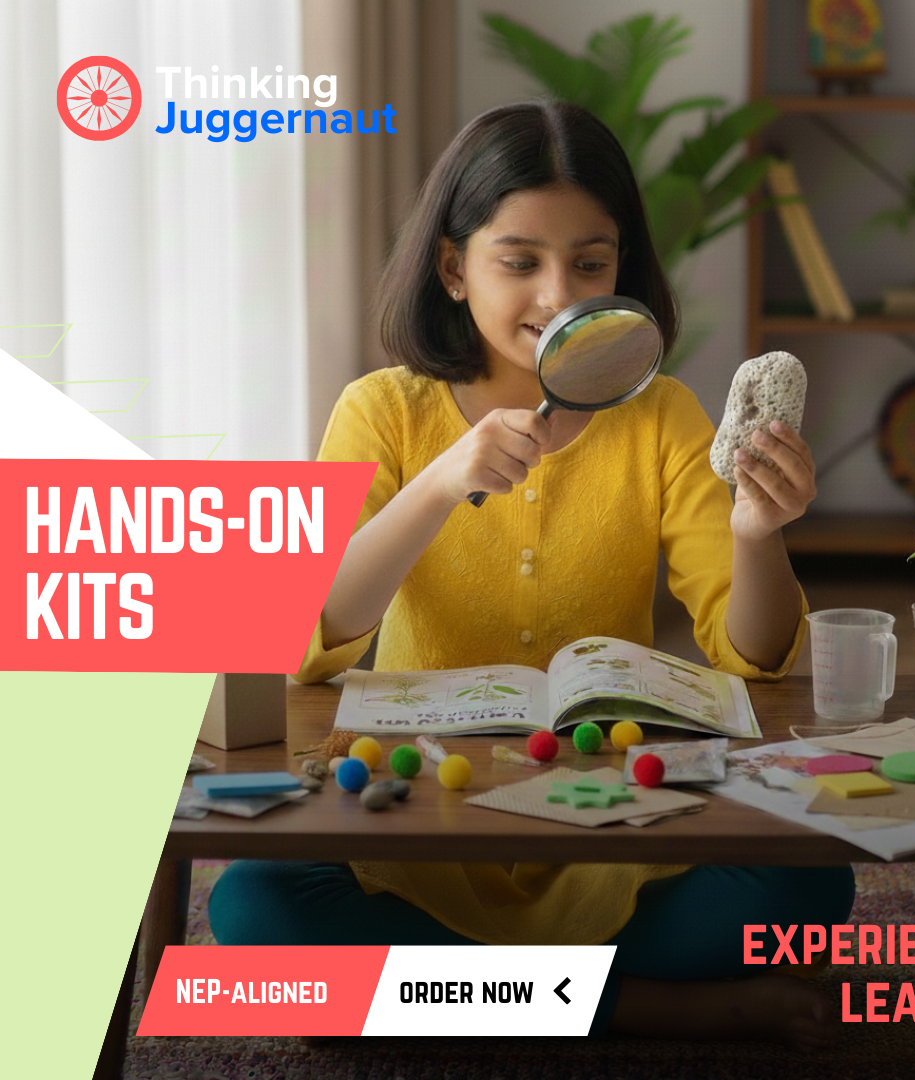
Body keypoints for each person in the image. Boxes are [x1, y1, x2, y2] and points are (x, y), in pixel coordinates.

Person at [210, 100, 854, 1049]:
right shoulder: (383, 410)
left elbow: (755, 658)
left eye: (591, 263)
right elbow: (308, 643)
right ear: (453, 267)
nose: (561, 294)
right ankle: (637, 1010)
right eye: (521, 262)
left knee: (811, 883)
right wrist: (437, 483)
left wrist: (758, 531)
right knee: (256, 911)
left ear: (622, 271)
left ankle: (450, 1008)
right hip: (425, 810)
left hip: (610, 806)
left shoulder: (663, 416)